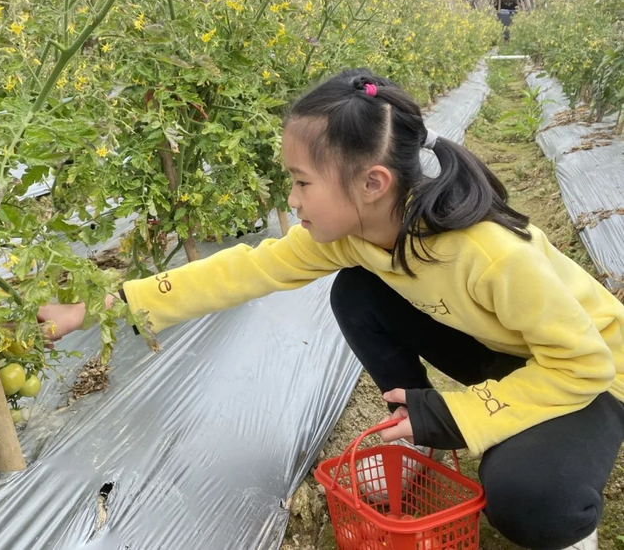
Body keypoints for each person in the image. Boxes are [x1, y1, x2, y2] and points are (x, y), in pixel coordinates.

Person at [39, 69, 623, 550]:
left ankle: (569, 526)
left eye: (301, 182)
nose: (291, 200)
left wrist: (458, 414)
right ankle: (413, 435)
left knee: (528, 499)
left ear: (372, 183)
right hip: (505, 351)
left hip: (590, 373)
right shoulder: (355, 236)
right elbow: (241, 271)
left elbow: (583, 364)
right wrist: (99, 308)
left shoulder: (489, 255)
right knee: (356, 291)